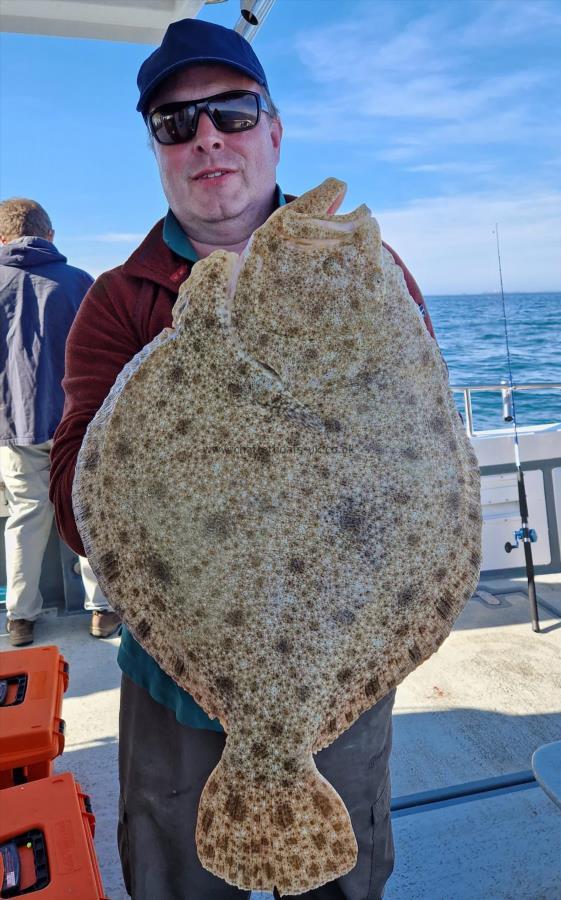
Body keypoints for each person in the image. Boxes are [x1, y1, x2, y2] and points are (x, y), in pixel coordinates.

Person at [50, 18, 436, 900]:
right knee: (175, 879)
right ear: (155, 146)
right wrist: (179, 363)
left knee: (344, 880)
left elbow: (420, 461)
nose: (208, 138)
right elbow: (77, 510)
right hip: (174, 678)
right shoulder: (118, 303)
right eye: (176, 122)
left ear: (272, 127)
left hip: (338, 663)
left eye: (231, 110)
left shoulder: (370, 272)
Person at [0, 197, 121, 646]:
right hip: (79, 426)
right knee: (85, 512)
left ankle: (20, 618)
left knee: (25, 518)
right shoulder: (82, 283)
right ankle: (102, 610)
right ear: (49, 235)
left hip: (15, 426)